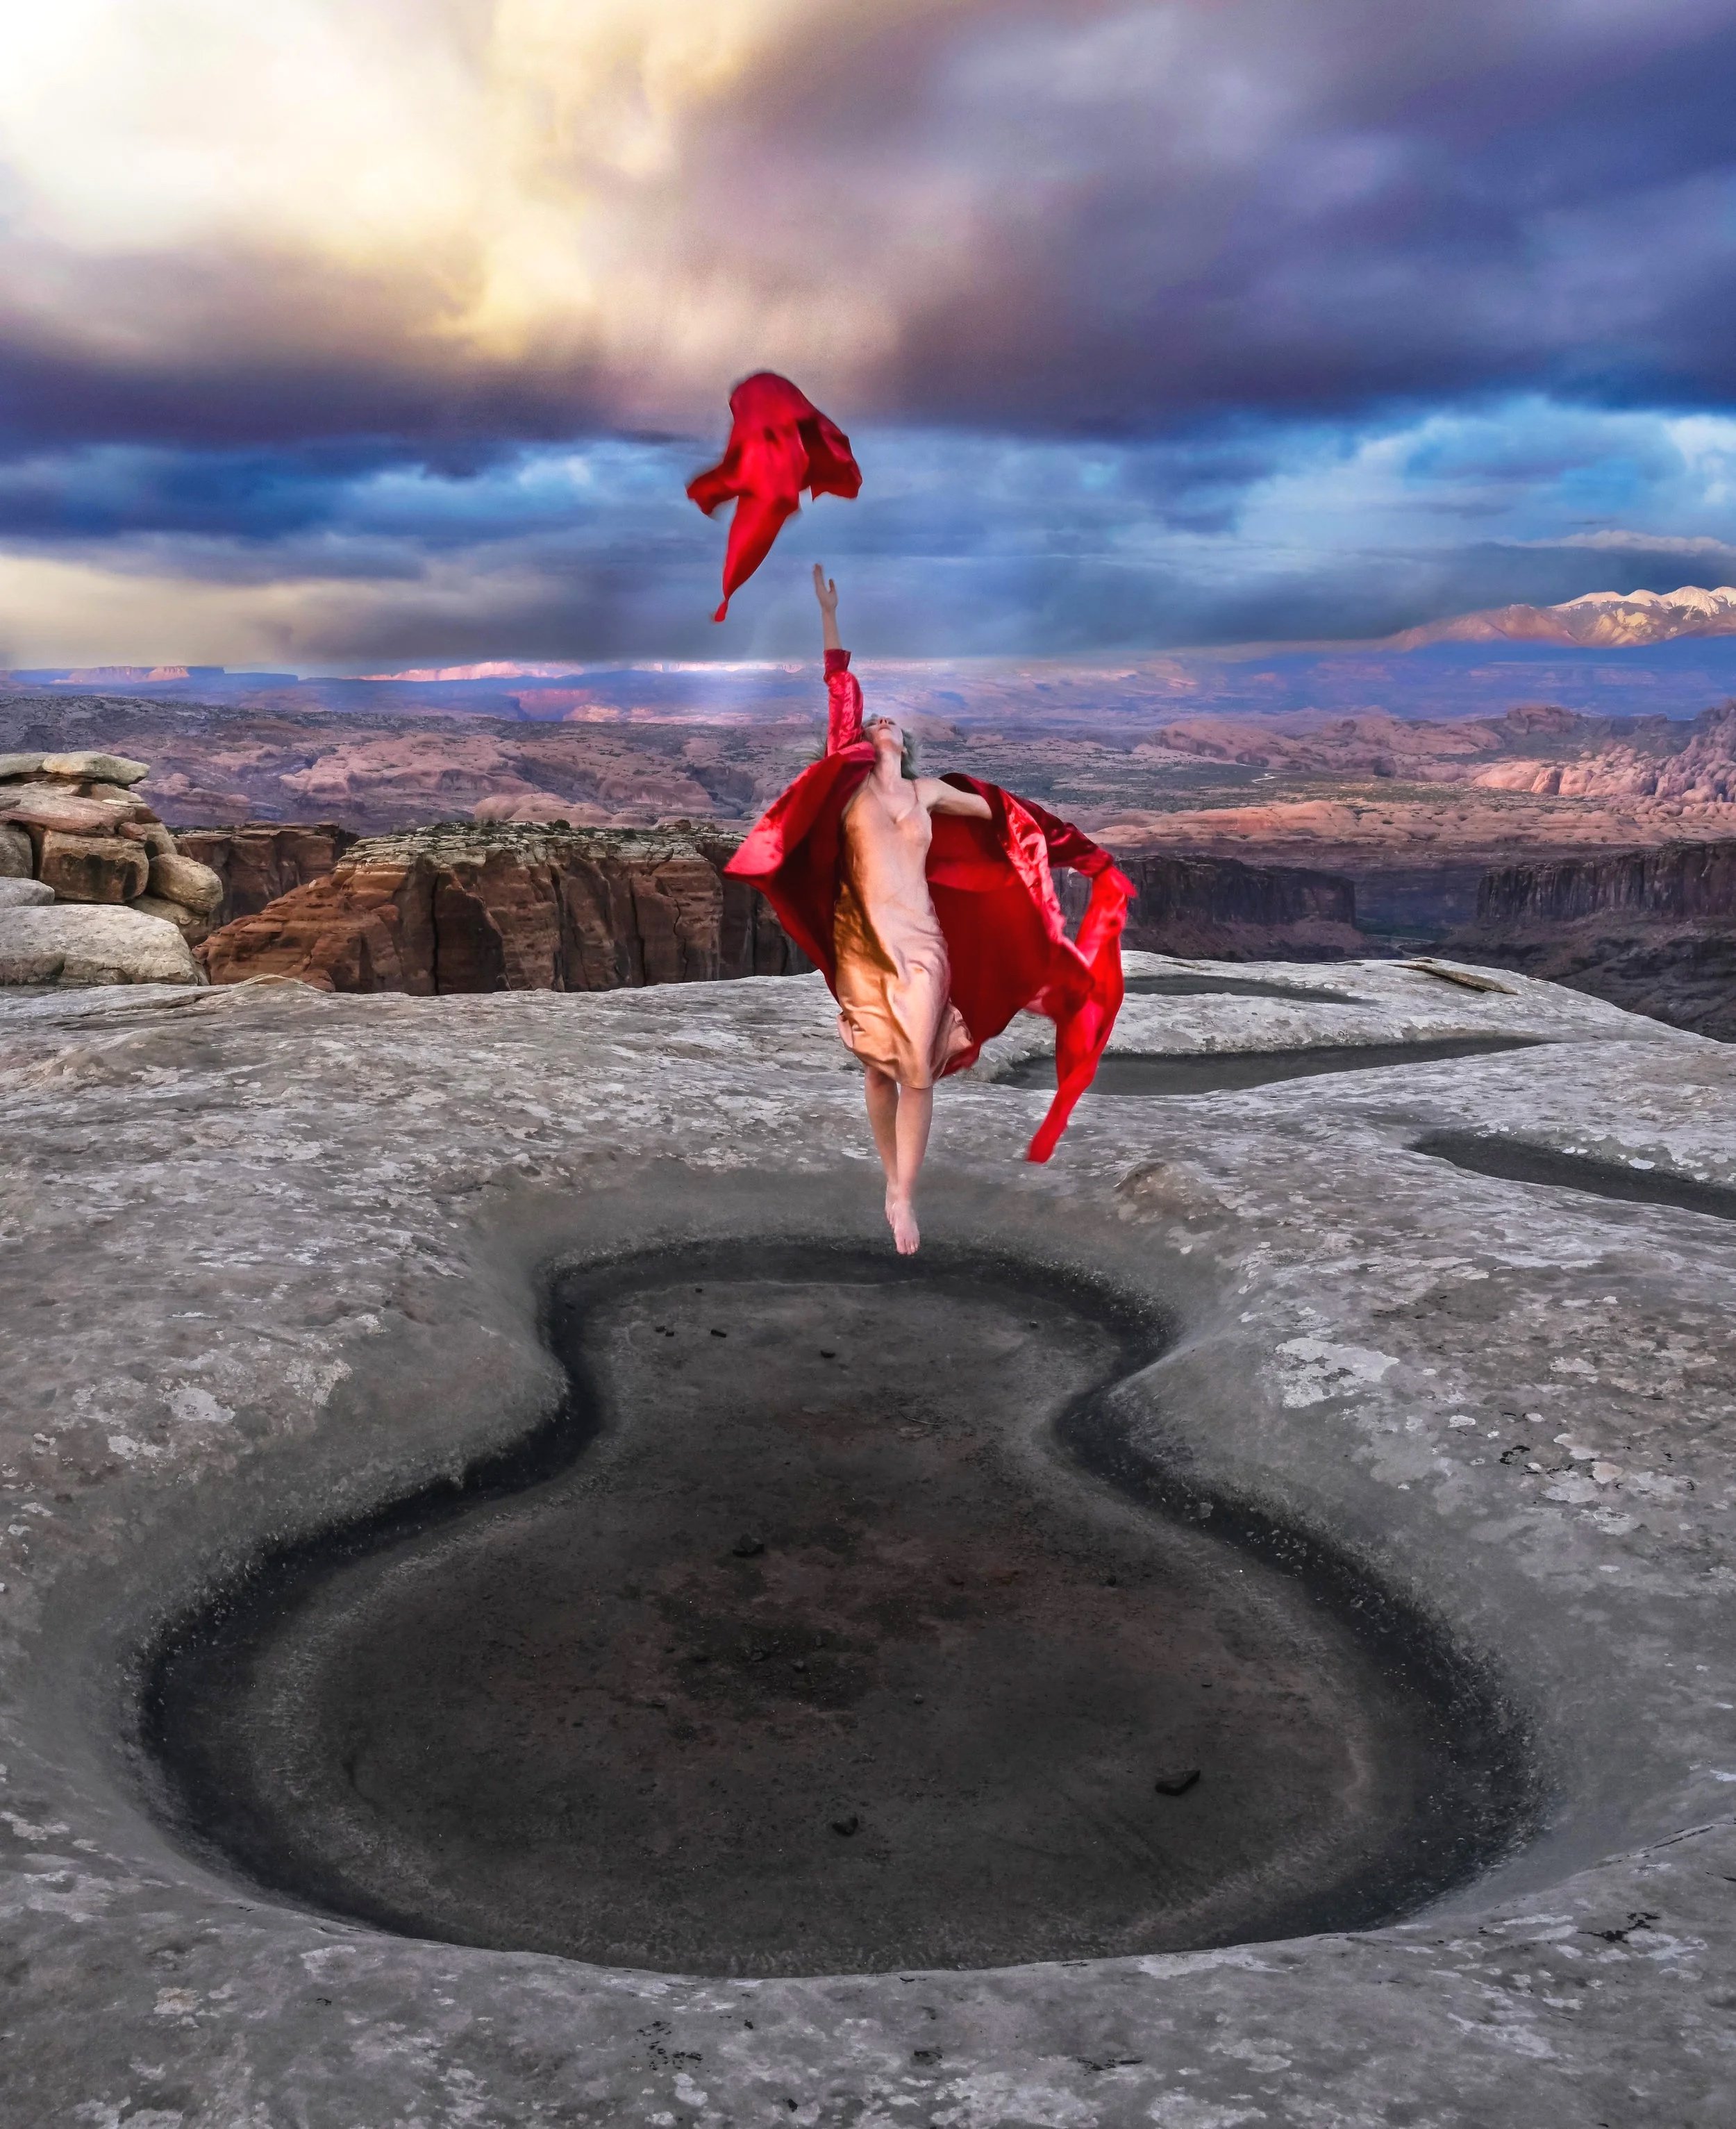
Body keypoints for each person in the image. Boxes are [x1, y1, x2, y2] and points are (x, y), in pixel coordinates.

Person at [726, 566, 1134, 1254]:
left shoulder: (930, 795)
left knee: (917, 1071)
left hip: (922, 945)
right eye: (874, 721)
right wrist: (829, 616)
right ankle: (890, 1175)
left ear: (904, 747)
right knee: (878, 1068)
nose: (881, 722)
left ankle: (902, 1195)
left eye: (890, 724)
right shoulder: (850, 788)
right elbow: (838, 693)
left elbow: (1010, 820)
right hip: (862, 943)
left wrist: (1079, 853)